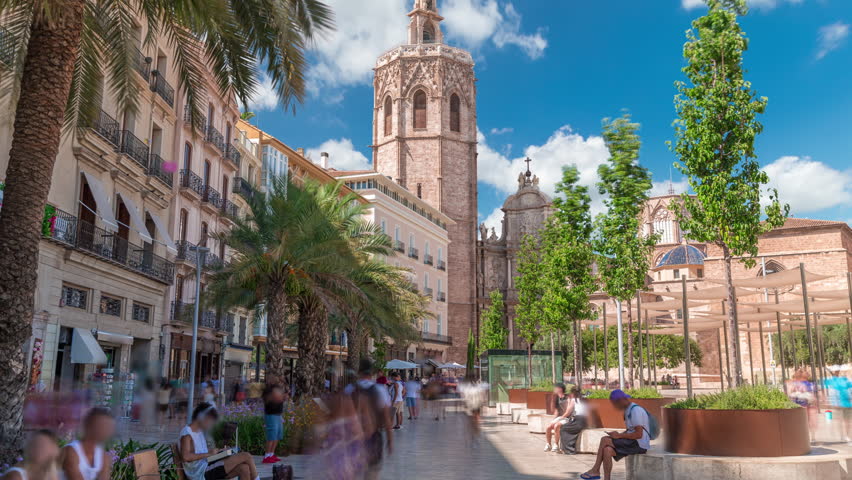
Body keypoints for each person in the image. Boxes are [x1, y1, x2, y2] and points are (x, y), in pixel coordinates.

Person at [581, 390, 649, 480]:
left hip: (640, 444)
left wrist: (619, 436)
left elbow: (639, 434)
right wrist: (617, 435)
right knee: (607, 450)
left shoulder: (635, 411)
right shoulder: (627, 410)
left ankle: (595, 470)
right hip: (632, 442)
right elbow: (630, 431)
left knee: (605, 439)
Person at [179, 403, 257, 480]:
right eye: (210, 421)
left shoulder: (198, 431)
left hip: (206, 465)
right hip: (201, 472)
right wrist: (208, 454)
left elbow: (198, 452)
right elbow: (186, 457)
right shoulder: (187, 433)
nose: (210, 424)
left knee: (244, 468)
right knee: (246, 456)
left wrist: (218, 452)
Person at [348, 359, 392, 480]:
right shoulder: (380, 390)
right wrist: (390, 440)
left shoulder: (349, 389)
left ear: (359, 372)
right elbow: (387, 419)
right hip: (374, 438)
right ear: (371, 372)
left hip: (353, 439)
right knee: (372, 473)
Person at [60, 408, 114, 480]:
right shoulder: (70, 451)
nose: (105, 430)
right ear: (88, 426)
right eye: (101, 425)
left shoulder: (103, 457)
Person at [545, 383, 587, 454]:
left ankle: (556, 445)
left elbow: (568, 412)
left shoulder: (570, 398)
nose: (554, 389)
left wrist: (560, 418)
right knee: (548, 427)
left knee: (558, 426)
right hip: (568, 418)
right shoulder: (556, 398)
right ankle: (548, 444)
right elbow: (555, 410)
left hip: (568, 418)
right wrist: (555, 419)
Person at [558, 387, 588, 454]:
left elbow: (568, 412)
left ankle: (568, 449)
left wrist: (559, 418)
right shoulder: (584, 398)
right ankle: (566, 449)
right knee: (566, 427)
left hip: (578, 421)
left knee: (563, 428)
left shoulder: (574, 400)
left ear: (573, 393)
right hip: (585, 421)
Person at [261, 384, 287, 464]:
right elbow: (271, 399)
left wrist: (284, 397)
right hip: (271, 414)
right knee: (272, 435)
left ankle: (271, 454)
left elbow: (282, 399)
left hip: (278, 414)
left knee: (277, 435)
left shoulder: (279, 387)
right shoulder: (269, 389)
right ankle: (267, 456)